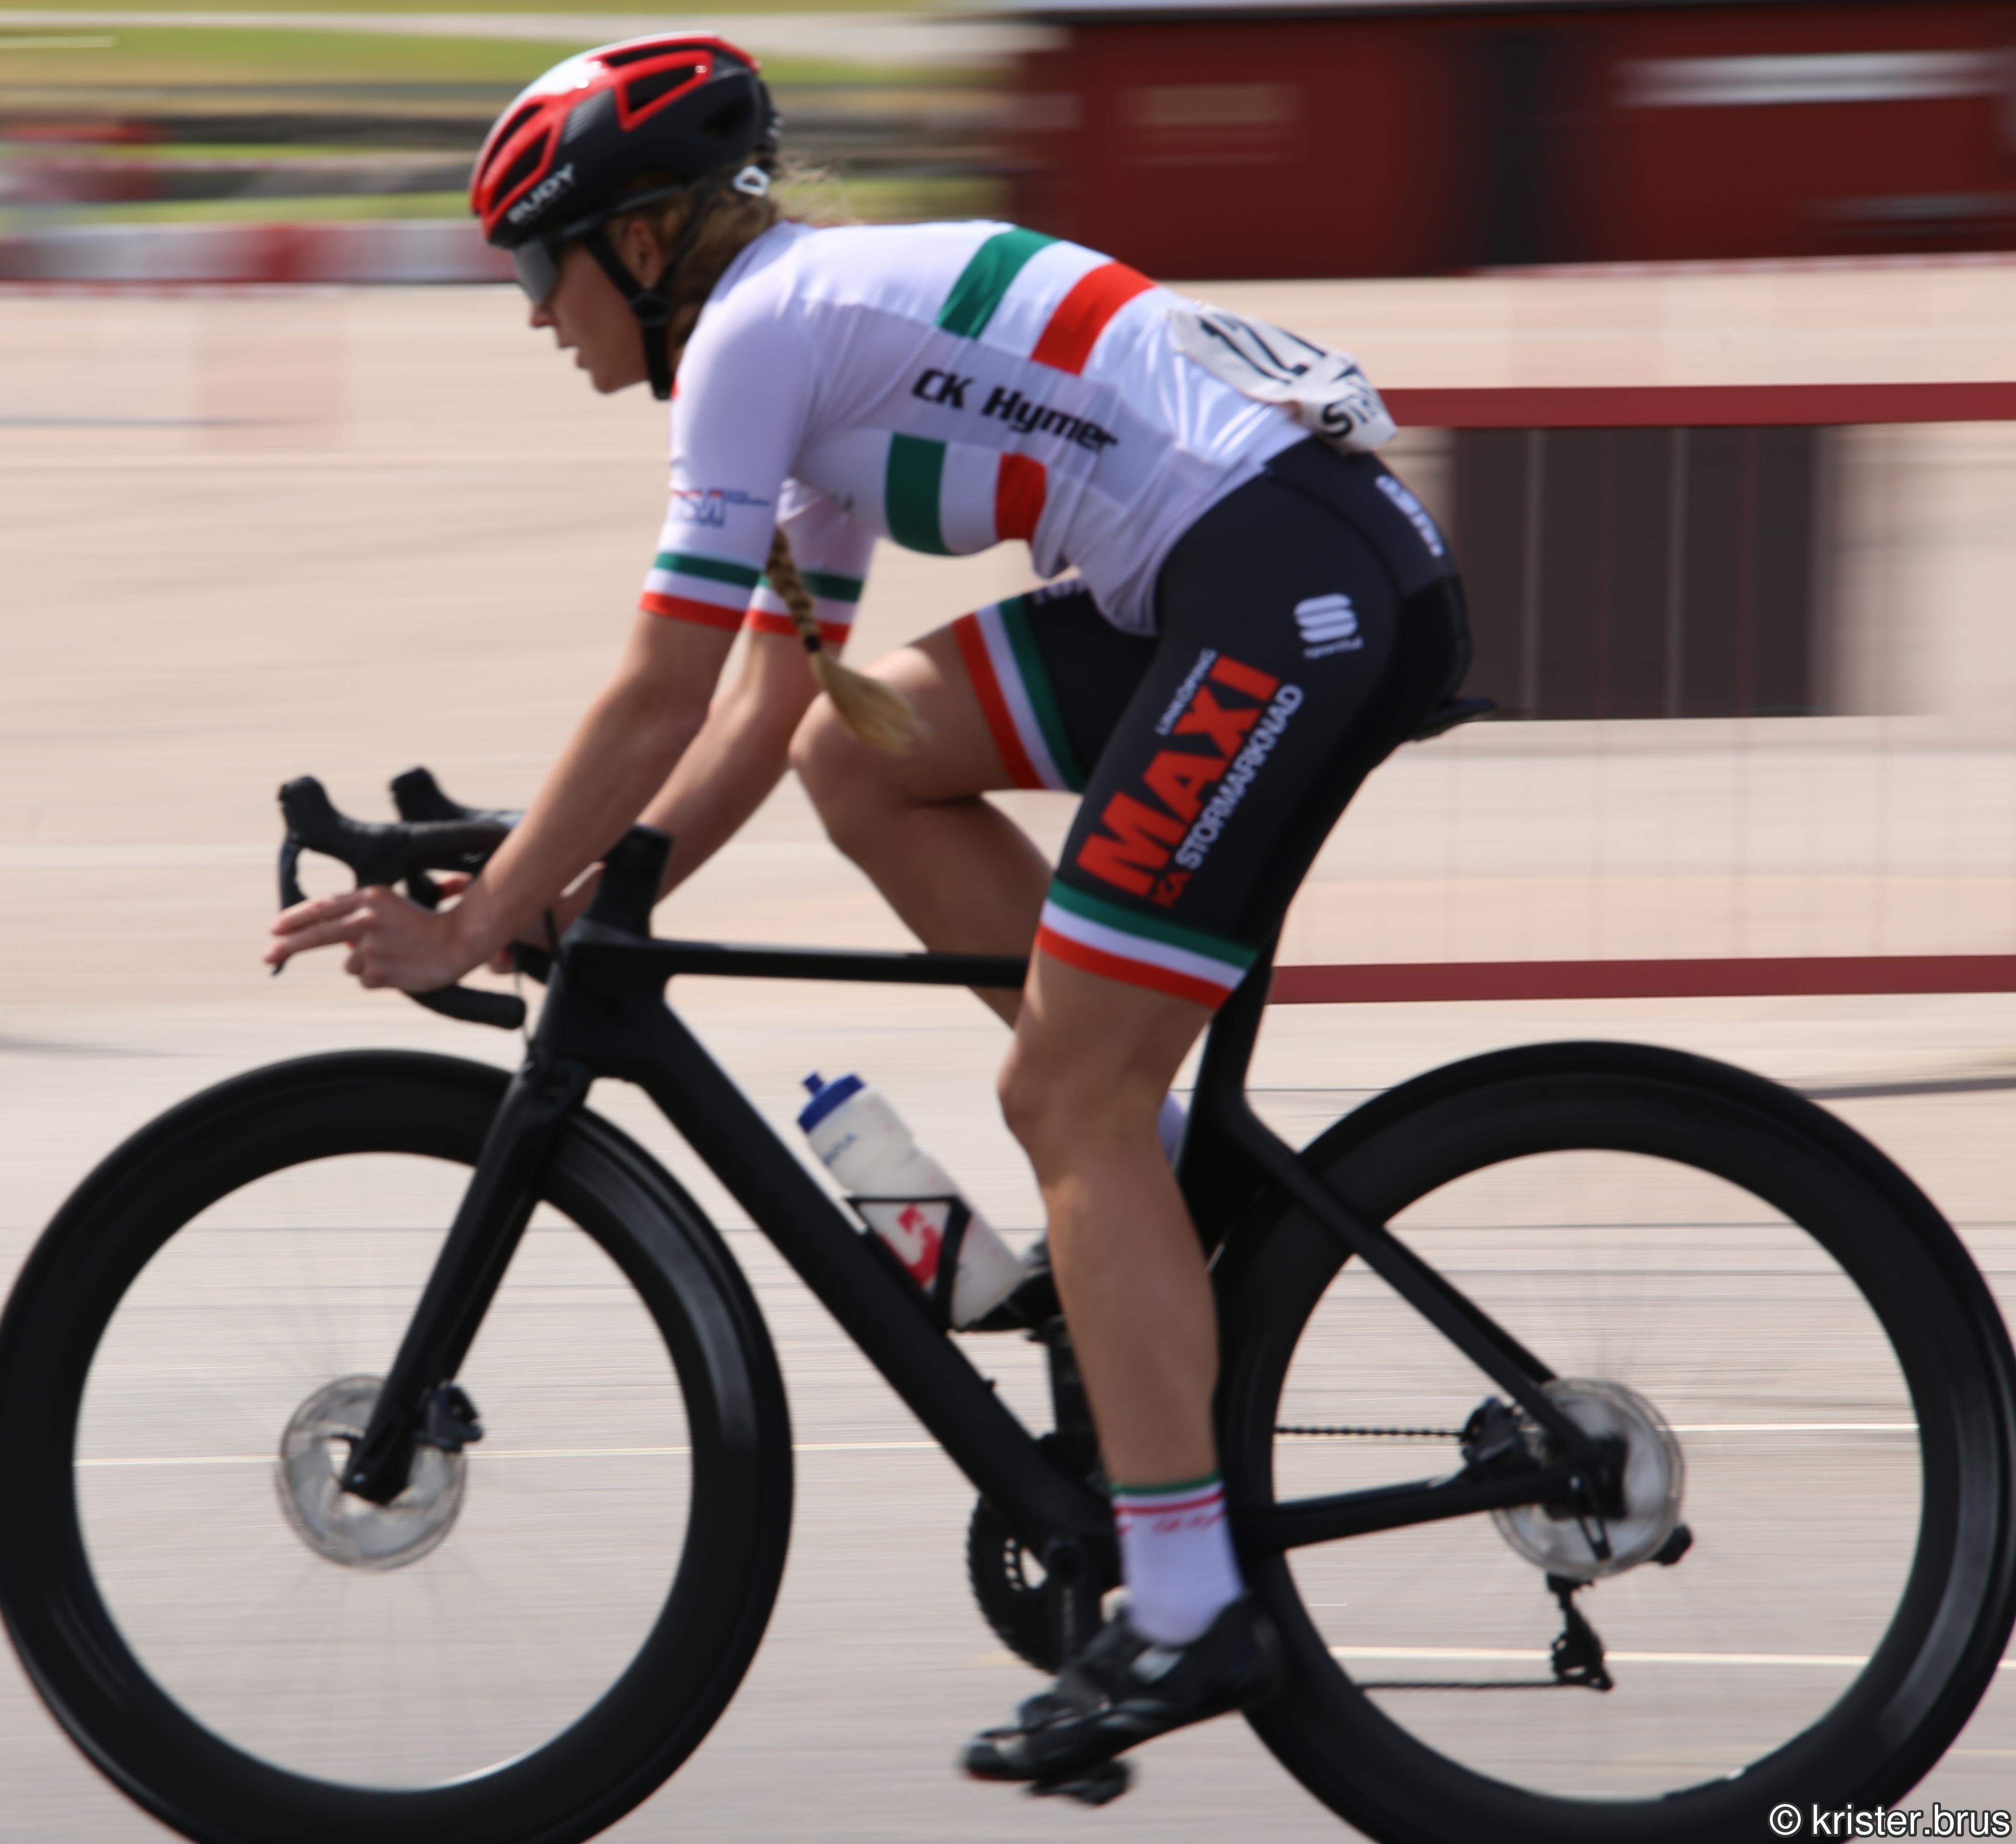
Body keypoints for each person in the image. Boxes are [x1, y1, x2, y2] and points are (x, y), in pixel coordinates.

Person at [264, 33, 1468, 1800]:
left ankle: (1189, 1602)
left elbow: (659, 689)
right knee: (864, 752)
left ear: (641, 243)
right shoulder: (806, 346)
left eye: (538, 267)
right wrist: (582, 904)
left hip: (1285, 586)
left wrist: (480, 919)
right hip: (1251, 563)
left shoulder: (751, 339)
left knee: (1061, 1095)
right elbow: (765, 713)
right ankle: (1143, 1161)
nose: (534, 314)